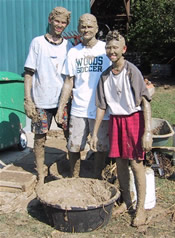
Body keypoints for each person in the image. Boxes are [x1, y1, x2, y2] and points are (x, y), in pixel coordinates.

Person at [90, 30, 153, 227]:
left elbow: (145, 102)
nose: (111, 51)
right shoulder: (105, 76)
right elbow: (101, 107)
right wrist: (94, 133)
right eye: (108, 47)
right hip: (116, 120)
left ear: (123, 49)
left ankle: (140, 209)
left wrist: (148, 131)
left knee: (136, 164)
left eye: (115, 47)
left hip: (134, 119)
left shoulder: (131, 71)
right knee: (120, 163)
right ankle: (128, 201)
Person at [56, 13, 111, 179]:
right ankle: (74, 177)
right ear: (79, 29)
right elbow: (68, 81)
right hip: (79, 108)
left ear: (96, 28)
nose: (86, 30)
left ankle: (97, 178)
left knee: (100, 146)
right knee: (74, 146)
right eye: (83, 27)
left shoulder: (105, 50)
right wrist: (61, 107)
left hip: (101, 109)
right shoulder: (74, 52)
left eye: (89, 26)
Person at [24, 7, 72, 186]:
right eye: (57, 21)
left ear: (66, 24)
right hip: (41, 101)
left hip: (62, 101)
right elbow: (28, 73)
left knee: (70, 134)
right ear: (50, 20)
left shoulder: (68, 46)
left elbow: (70, 77)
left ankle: (69, 168)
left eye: (63, 22)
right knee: (39, 137)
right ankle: (41, 175)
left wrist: (66, 100)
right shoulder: (38, 43)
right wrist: (28, 100)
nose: (59, 25)